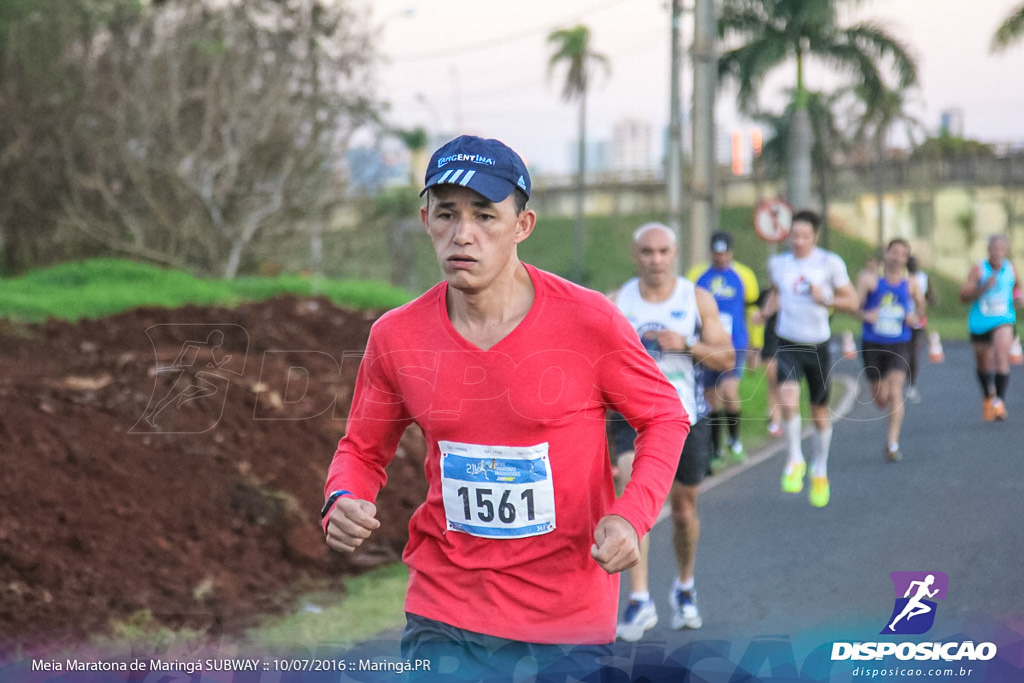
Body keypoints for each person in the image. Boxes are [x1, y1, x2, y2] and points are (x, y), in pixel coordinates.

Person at [321, 135, 689, 677]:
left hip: (566, 615)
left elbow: (664, 416)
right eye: (446, 214)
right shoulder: (396, 337)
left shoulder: (589, 322)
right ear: (426, 220)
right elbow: (361, 449)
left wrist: (631, 517)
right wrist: (343, 496)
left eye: (485, 216)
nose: (462, 235)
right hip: (444, 605)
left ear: (523, 226)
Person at [609, 222, 733, 642]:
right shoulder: (616, 303)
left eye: (663, 251)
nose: (656, 260)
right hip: (632, 418)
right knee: (633, 498)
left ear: (675, 253)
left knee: (683, 513)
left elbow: (726, 357)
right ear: (634, 254)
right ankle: (639, 600)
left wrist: (687, 344)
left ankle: (684, 587)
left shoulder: (696, 300)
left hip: (685, 418)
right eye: (647, 252)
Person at [761, 210, 859, 508]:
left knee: (819, 411)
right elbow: (777, 294)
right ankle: (794, 459)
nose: (798, 241)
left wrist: (826, 298)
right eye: (794, 235)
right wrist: (764, 312)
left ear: (814, 236)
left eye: (804, 236)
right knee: (788, 400)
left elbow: (852, 302)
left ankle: (820, 468)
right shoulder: (779, 264)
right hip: (787, 341)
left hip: (817, 345)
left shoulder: (830, 264)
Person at [687, 230, 760, 468]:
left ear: (731, 252)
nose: (721, 258)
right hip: (707, 345)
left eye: (725, 253)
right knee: (710, 398)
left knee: (729, 392)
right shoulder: (697, 275)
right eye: (716, 254)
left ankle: (735, 440)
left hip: (735, 344)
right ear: (711, 253)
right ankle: (715, 448)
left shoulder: (744, 275)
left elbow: (753, 312)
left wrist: (755, 347)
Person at [854, 238, 926, 461]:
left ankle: (892, 444)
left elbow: (921, 307)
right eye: (893, 252)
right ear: (885, 254)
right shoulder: (869, 280)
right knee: (880, 398)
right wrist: (866, 315)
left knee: (896, 393)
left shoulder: (911, 283)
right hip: (873, 342)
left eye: (902, 254)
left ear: (906, 258)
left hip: (899, 342)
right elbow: (853, 306)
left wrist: (914, 317)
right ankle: (890, 437)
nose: (897, 257)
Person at [959, 234, 1022, 421]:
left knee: (1002, 354)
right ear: (988, 250)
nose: (996, 252)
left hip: (1004, 319)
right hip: (980, 323)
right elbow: (963, 297)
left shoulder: (1010, 268)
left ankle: (999, 402)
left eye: (1000, 248)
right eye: (993, 248)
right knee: (982, 363)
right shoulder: (979, 269)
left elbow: (1017, 287)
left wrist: (1018, 297)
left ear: (1006, 250)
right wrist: (983, 288)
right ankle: (988, 395)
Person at [905, 255, 937, 403]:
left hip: (917, 319)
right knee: (904, 352)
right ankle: (903, 380)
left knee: (913, 352)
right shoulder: (901, 278)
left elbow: (930, 296)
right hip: (902, 319)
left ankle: (911, 384)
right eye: (911, 263)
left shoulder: (923, 277)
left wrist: (930, 300)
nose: (913, 266)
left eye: (915, 263)